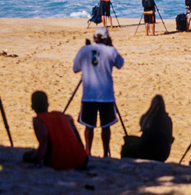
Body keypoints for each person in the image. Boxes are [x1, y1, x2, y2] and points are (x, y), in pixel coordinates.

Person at [73, 26, 124, 157]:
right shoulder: (110, 50)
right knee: (106, 126)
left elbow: (75, 68)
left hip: (89, 94)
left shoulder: (85, 50)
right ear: (107, 38)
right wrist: (111, 46)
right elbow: (120, 64)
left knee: (88, 126)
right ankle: (105, 152)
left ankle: (87, 151)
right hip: (106, 95)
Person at [22, 91, 89, 170]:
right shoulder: (64, 116)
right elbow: (77, 138)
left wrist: (37, 163)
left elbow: (44, 141)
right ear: (47, 104)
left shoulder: (39, 120)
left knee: (27, 156)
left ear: (32, 106)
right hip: (82, 161)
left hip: (58, 162)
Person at [120, 94, 174, 162]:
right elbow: (169, 138)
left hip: (145, 151)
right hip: (162, 154)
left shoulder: (147, 118)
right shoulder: (167, 119)